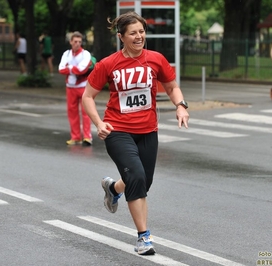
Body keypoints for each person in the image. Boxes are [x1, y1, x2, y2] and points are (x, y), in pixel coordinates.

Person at [82, 11, 189, 255]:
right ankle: (143, 238)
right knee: (137, 177)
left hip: (148, 130)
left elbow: (172, 87)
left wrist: (181, 106)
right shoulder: (108, 64)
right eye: (133, 33)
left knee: (142, 181)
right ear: (121, 37)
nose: (139, 37)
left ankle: (113, 189)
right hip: (117, 129)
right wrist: (99, 123)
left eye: (142, 32)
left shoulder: (156, 59)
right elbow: (87, 96)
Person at [58, 31, 93, 146]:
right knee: (72, 112)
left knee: (86, 112)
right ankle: (75, 136)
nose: (77, 44)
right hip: (70, 87)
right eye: (75, 41)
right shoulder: (66, 54)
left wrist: (70, 67)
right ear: (71, 42)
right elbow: (60, 69)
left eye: (79, 41)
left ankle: (87, 137)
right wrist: (74, 68)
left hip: (83, 87)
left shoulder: (85, 54)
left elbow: (82, 69)